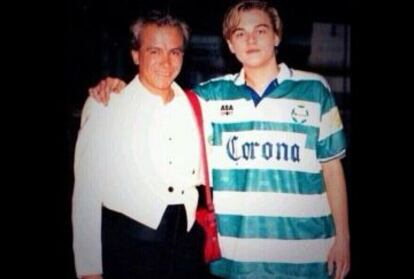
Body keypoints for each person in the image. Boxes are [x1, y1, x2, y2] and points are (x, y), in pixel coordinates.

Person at [89, 1, 351, 278]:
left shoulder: (314, 89)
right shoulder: (210, 96)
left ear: (277, 36)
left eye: (260, 30)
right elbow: (159, 91)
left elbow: (332, 169)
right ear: (229, 44)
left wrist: (343, 240)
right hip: (236, 258)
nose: (250, 40)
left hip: (306, 252)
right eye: (240, 33)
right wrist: (117, 87)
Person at [72, 11, 211, 279]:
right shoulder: (107, 104)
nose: (166, 62)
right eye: (155, 51)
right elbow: (86, 194)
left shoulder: (197, 107)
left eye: (175, 52)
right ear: (136, 55)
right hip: (129, 247)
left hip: (185, 249)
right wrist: (90, 269)